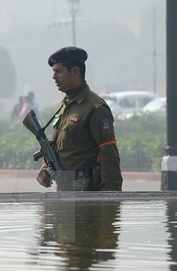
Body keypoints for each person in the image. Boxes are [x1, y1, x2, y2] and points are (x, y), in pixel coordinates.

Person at [36, 46, 123, 191]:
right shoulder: (65, 106)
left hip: (86, 193)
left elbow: (109, 156)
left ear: (75, 71)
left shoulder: (95, 108)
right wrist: (46, 169)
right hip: (65, 191)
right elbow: (58, 147)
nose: (54, 77)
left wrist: (109, 201)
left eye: (59, 71)